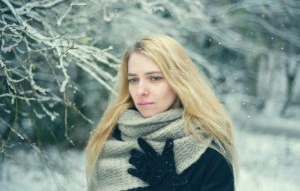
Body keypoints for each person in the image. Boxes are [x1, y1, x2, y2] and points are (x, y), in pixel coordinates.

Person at [85, 34, 237, 191]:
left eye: (155, 78)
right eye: (133, 80)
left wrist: (171, 187)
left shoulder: (208, 155)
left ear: (179, 81)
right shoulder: (109, 140)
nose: (141, 91)